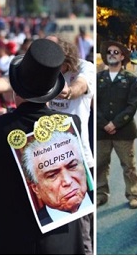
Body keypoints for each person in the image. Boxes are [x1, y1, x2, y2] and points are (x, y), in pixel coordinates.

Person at [0, 39, 85, 254]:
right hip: (61, 241)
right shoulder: (71, 124)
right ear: (52, 91)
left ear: (15, 89)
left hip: (12, 241)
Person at [49, 39, 96, 255]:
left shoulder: (85, 68)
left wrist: (65, 90)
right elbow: (11, 81)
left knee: (82, 221)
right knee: (58, 222)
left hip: (79, 160)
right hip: (50, 161)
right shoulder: (45, 70)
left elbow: (80, 87)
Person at [96, 41, 137, 209]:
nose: (112, 54)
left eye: (116, 52)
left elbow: (132, 105)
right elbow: (95, 104)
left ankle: (133, 194)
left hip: (124, 130)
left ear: (123, 57)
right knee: (100, 164)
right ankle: (101, 194)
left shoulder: (131, 79)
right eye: (109, 52)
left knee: (129, 166)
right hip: (101, 130)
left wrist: (115, 123)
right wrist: (104, 123)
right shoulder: (98, 78)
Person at [20, 130, 93, 225]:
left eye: (72, 166)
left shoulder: (97, 200)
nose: (67, 181)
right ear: (36, 189)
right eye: (52, 175)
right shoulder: (33, 226)